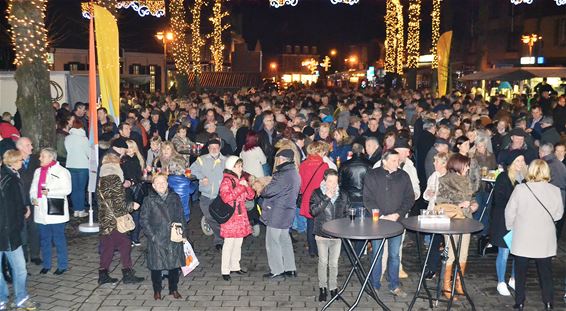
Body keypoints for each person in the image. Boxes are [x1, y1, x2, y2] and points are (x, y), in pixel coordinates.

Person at [505, 160, 564, 311]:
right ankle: (549, 302)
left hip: (523, 236)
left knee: (520, 272)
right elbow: (558, 215)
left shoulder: (520, 189)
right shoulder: (555, 190)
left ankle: (520, 302)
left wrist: (511, 228)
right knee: (546, 272)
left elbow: (510, 212)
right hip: (545, 238)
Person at [363, 150, 413, 298]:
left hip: (397, 221)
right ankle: (374, 285)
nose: (397, 164)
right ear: (384, 161)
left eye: (398, 161)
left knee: (394, 255)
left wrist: (398, 214)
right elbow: (368, 199)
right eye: (393, 161)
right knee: (377, 254)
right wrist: (382, 215)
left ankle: (394, 284)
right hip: (378, 221)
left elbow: (409, 198)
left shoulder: (403, 176)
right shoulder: (372, 175)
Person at [435, 153, 479, 298]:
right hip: (451, 221)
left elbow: (471, 197)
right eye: (466, 165)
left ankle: (458, 283)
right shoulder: (445, 180)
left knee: (463, 254)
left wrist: (473, 204)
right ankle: (446, 286)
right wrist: (458, 205)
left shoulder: (467, 180)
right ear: (458, 165)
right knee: (451, 254)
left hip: (466, 220)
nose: (467, 168)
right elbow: (440, 202)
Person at [0, 150, 39, 310]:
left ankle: (20, 297)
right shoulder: (9, 179)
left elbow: (14, 205)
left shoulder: (9, 179)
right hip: (7, 232)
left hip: (9, 232)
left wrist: (23, 210)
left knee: (20, 269)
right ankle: (3, 298)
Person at [97, 153, 144, 285]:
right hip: (115, 221)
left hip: (105, 220)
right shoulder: (114, 179)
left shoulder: (102, 179)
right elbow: (118, 203)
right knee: (125, 244)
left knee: (108, 247)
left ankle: (103, 274)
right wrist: (131, 205)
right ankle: (127, 273)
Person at [140, 173, 186, 301]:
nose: (161, 185)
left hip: (173, 235)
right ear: (153, 186)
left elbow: (181, 216)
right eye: (158, 183)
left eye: (163, 182)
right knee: (156, 266)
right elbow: (144, 220)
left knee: (174, 265)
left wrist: (183, 234)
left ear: (167, 184)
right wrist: (153, 237)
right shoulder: (149, 200)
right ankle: (157, 290)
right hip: (157, 237)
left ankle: (173, 289)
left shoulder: (175, 197)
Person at [309, 169, 350, 302]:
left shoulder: (343, 194)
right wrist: (326, 197)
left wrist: (346, 225)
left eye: (335, 181)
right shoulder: (317, 193)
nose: (333, 184)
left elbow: (347, 213)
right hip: (322, 233)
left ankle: (333, 288)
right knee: (323, 262)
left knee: (333, 263)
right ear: (324, 181)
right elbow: (313, 211)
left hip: (337, 235)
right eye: (330, 181)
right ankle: (322, 288)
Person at [30, 148, 72, 275]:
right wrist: (33, 199)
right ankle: (47, 264)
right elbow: (33, 188)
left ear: (50, 158)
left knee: (58, 239)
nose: (39, 158)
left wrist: (50, 192)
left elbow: (67, 190)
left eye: (42, 156)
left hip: (55, 210)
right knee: (44, 239)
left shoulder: (62, 171)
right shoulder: (38, 171)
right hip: (41, 210)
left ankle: (62, 265)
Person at [260, 149, 301, 280]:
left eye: (279, 159)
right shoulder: (294, 172)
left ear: (282, 159)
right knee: (285, 240)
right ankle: (290, 268)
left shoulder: (282, 174)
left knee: (272, 242)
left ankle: (277, 270)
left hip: (277, 212)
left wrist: (262, 188)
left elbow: (269, 191)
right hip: (288, 211)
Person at [490, 151, 526, 296]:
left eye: (522, 161)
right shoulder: (503, 178)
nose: (520, 164)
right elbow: (498, 200)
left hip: (521, 221)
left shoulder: (525, 179)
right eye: (517, 161)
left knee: (518, 252)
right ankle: (501, 281)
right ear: (511, 163)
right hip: (504, 220)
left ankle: (513, 278)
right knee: (504, 252)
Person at [218, 156, 255, 281]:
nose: (241, 168)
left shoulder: (241, 179)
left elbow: (251, 196)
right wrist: (241, 187)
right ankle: (225, 270)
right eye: (238, 166)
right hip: (230, 217)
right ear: (231, 167)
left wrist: (247, 186)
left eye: (241, 166)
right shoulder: (226, 181)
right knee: (229, 243)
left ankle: (235, 266)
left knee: (238, 242)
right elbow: (226, 198)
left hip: (241, 216)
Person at [190, 139, 227, 250]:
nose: (214, 149)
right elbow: (191, 170)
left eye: (216, 147)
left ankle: (219, 241)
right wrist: (202, 176)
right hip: (206, 195)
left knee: (221, 218)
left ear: (220, 148)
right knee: (210, 217)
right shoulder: (201, 159)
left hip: (221, 196)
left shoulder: (226, 161)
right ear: (208, 148)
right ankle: (222, 236)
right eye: (212, 147)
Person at [299, 141, 329, 257]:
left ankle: (312, 250)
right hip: (319, 197)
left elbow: (301, 184)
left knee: (310, 224)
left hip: (307, 197)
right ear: (319, 151)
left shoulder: (303, 164)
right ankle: (321, 248)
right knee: (321, 224)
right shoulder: (324, 165)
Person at [422, 152, 449, 279]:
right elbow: (426, 195)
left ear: (444, 163)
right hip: (434, 212)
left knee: (448, 242)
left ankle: (448, 269)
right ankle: (431, 268)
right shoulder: (434, 175)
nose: (434, 163)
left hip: (447, 213)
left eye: (437, 161)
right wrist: (429, 193)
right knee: (434, 240)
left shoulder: (450, 177)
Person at [15, 137, 41, 265]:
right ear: (20, 147)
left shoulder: (36, 160)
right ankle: (23, 256)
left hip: (34, 198)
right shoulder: (14, 161)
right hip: (19, 200)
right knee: (22, 229)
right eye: (28, 145)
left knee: (35, 226)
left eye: (31, 144)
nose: (31, 147)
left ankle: (35, 254)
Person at [539, 143, 566, 238]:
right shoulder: (559, 164)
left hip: (550, 198)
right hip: (561, 197)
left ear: (541, 152)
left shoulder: (545, 164)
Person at [64, 119, 90, 218]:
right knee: (81, 189)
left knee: (74, 189)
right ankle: (81, 210)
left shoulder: (67, 138)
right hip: (83, 165)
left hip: (70, 165)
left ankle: (76, 210)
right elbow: (88, 153)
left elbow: (67, 151)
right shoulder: (84, 138)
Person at [122, 140, 145, 246]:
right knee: (129, 213)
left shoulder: (138, 159)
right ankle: (130, 237)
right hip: (128, 189)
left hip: (137, 188)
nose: (129, 150)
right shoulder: (123, 160)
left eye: (131, 147)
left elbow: (138, 175)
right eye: (127, 147)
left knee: (136, 213)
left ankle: (134, 237)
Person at [167, 156, 197, 223]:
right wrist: (191, 181)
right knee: (182, 230)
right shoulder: (186, 182)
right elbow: (192, 190)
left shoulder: (167, 180)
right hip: (183, 212)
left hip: (169, 211)